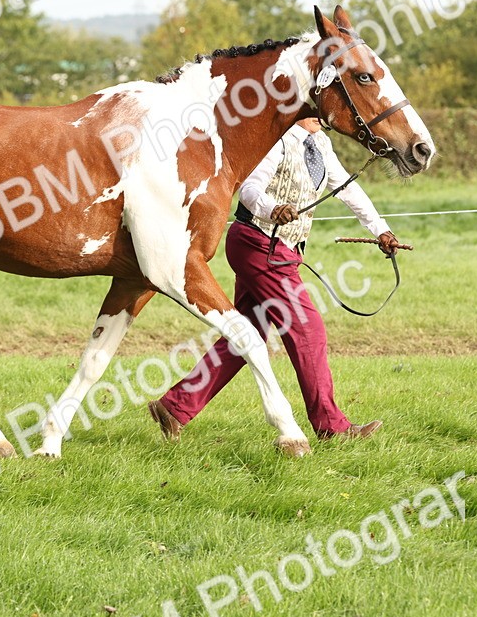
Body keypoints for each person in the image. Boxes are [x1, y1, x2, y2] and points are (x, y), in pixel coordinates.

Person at [148, 117, 401, 443]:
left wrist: (381, 230)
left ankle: (175, 407)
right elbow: (250, 189)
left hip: (279, 249)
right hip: (259, 244)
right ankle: (331, 427)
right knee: (308, 329)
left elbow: (348, 190)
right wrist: (272, 208)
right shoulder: (277, 139)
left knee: (245, 336)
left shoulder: (321, 143)